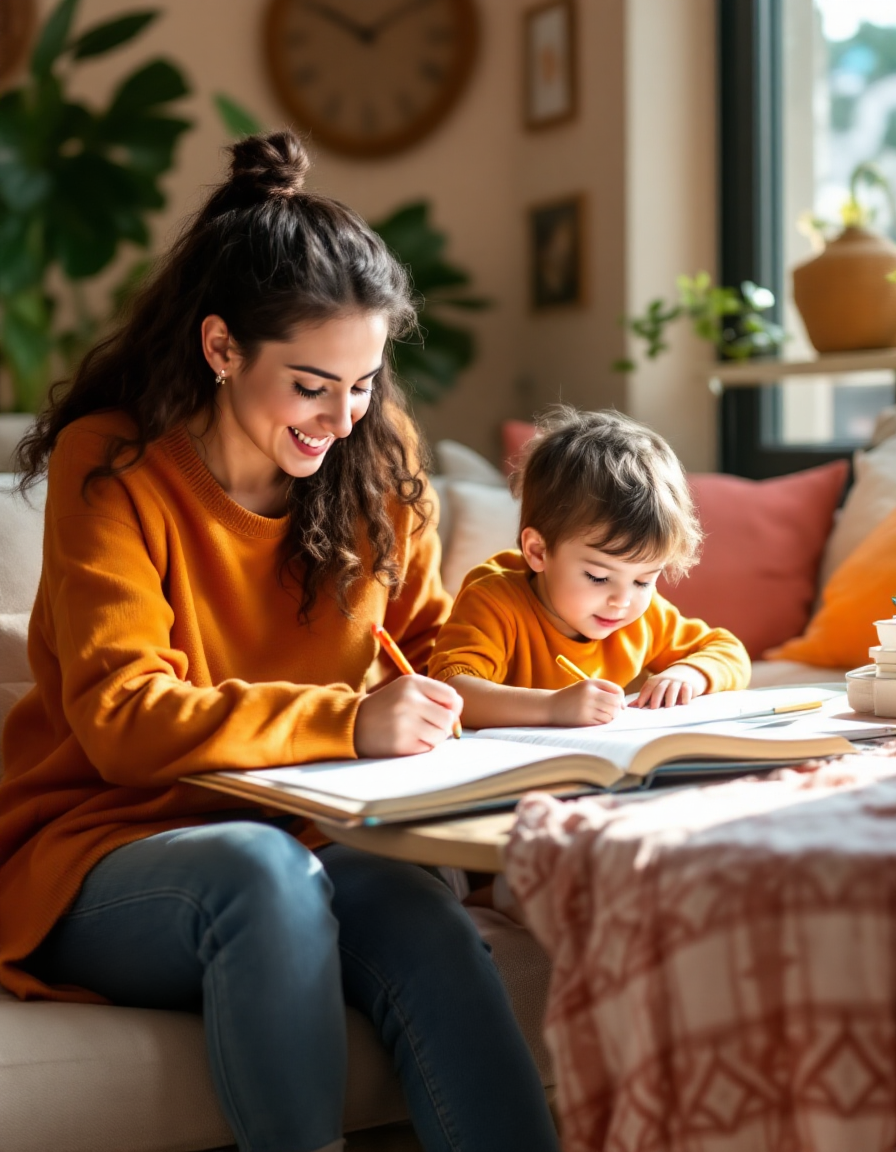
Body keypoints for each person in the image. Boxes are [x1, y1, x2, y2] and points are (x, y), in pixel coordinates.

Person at [0, 131, 560, 1152]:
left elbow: (433, 653)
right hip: (105, 847)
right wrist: (350, 722)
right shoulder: (115, 466)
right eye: (310, 385)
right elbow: (123, 723)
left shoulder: (374, 461)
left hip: (304, 839)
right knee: (261, 876)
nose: (341, 418)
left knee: (420, 921)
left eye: (363, 384)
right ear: (221, 349)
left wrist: (575, 687)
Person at [429, 407, 751, 729]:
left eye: (644, 581)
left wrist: (688, 674)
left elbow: (728, 651)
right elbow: (452, 692)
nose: (622, 600)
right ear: (538, 551)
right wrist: (553, 707)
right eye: (598, 577)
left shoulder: (644, 617)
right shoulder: (493, 601)